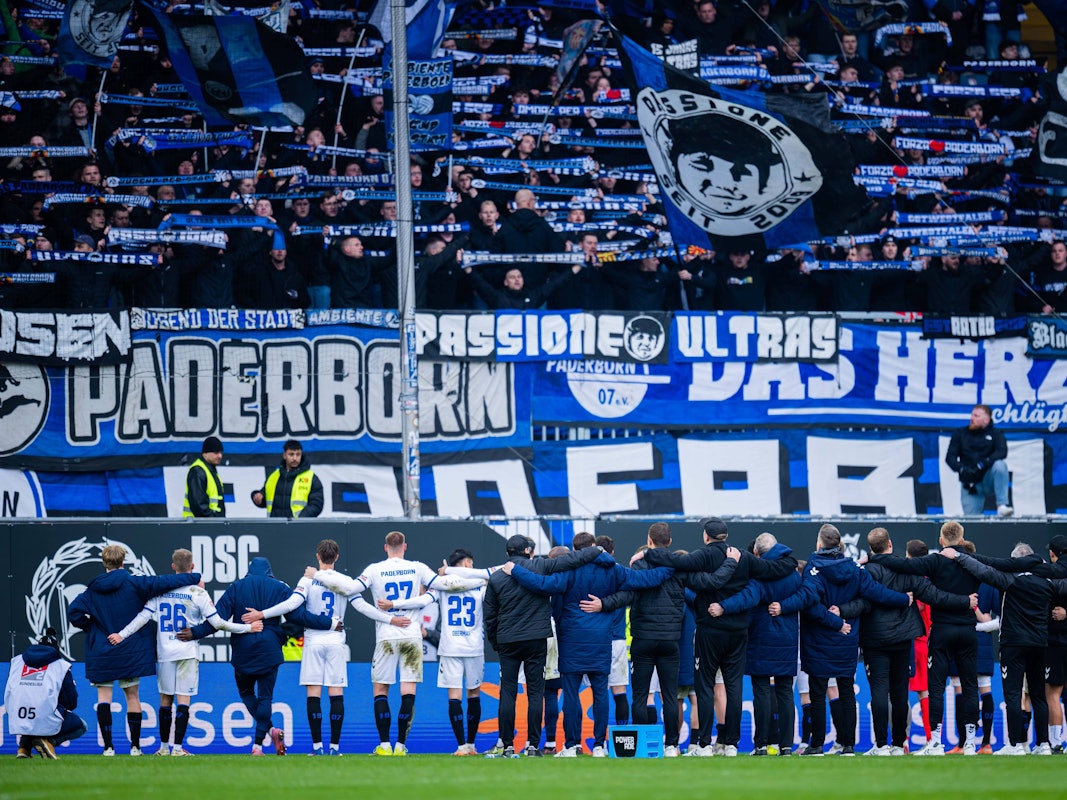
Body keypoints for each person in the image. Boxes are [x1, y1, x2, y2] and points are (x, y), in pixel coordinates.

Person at [503, 531, 676, 757]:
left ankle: (571, 745)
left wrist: (515, 570)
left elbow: (542, 585)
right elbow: (646, 580)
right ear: (595, 547)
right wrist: (673, 565)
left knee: (572, 695)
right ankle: (599, 746)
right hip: (601, 638)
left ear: (575, 552)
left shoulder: (570, 570)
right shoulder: (613, 570)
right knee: (600, 694)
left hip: (572, 638)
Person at [635, 517, 798, 757]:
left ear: (706, 536)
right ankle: (731, 744)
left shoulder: (703, 555)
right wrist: (791, 560)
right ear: (726, 534)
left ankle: (704, 744)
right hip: (738, 631)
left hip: (710, 630)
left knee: (705, 688)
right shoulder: (742, 556)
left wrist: (647, 555)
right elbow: (774, 568)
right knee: (733, 688)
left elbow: (674, 559)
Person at [584, 523, 739, 756]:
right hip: (670, 640)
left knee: (639, 694)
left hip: (643, 639)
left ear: (649, 540)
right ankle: (671, 746)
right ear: (670, 542)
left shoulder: (638, 564)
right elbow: (709, 583)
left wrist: (603, 604)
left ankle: (639, 746)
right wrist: (730, 567)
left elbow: (627, 595)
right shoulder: (678, 568)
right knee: (669, 695)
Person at [107, 548, 261, 756]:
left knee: (165, 701)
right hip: (187, 652)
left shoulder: (160, 592)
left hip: (165, 653)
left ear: (173, 567)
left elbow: (142, 617)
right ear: (192, 567)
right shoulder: (198, 593)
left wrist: (121, 635)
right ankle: (177, 748)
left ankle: (162, 748)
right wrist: (247, 628)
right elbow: (218, 623)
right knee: (184, 700)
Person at [181, 556, 338, 755]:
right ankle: (258, 745)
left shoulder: (236, 587)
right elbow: (298, 617)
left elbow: (216, 619)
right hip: (269, 650)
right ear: (269, 571)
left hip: (243, 650)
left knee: (246, 693)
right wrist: (328, 623)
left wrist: (194, 633)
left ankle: (267, 734)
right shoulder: (280, 587)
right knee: (266, 698)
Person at [778, 524, 912, 757]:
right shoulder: (854, 568)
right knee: (846, 690)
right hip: (846, 639)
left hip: (818, 641)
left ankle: (817, 744)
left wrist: (783, 607)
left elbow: (808, 603)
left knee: (818, 692)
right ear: (839, 545)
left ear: (819, 544)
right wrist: (903, 599)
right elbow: (876, 593)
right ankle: (848, 745)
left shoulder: (813, 568)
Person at [311, 531, 439, 756]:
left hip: (387, 636)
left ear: (385, 547)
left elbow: (351, 589)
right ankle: (400, 745)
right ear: (405, 547)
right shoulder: (418, 567)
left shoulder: (374, 569)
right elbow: (435, 589)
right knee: (408, 689)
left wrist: (318, 575)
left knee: (381, 689)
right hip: (411, 633)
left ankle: (384, 745)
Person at [66, 544, 202, 756]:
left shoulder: (91, 591)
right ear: (122, 562)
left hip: (102, 651)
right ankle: (135, 747)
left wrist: (92, 628)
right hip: (129, 651)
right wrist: (194, 578)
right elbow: (165, 582)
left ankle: (109, 748)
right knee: (132, 697)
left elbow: (73, 612)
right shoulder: (135, 583)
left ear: (105, 563)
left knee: (104, 697)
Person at [939, 542, 1067, 755]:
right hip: (1039, 645)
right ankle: (1043, 744)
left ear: (1015, 561)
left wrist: (959, 557)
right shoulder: (1048, 583)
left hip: (1013, 645)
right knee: (1038, 695)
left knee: (1013, 695)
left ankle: (1015, 744)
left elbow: (983, 569)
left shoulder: (1010, 581)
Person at [483, 534, 603, 758]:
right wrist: (598, 550)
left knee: (508, 691)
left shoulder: (498, 577)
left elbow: (489, 617)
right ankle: (532, 745)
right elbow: (570, 560)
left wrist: (495, 643)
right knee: (536, 692)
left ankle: (507, 745)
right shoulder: (540, 565)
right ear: (528, 551)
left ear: (508, 553)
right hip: (537, 639)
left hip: (508, 640)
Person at [859, 528, 976, 755]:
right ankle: (897, 744)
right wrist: (964, 601)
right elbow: (933, 595)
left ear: (871, 548)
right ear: (890, 544)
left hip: (875, 638)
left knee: (879, 692)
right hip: (903, 638)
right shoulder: (906, 570)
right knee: (900, 693)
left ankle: (882, 745)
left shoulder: (866, 570)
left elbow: (863, 599)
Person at [240, 539, 349, 755]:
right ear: (336, 557)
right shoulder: (346, 581)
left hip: (314, 640)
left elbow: (290, 605)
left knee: (313, 694)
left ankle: (317, 747)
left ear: (318, 556)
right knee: (336, 693)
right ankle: (335, 748)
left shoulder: (308, 580)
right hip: (336, 640)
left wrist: (262, 613)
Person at [378, 547, 489, 756]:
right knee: (473, 694)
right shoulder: (480, 586)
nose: (472, 567)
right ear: (466, 564)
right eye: (471, 564)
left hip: (450, 647)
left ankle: (461, 746)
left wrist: (395, 603)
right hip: (474, 647)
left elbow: (421, 601)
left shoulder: (441, 587)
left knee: (454, 695)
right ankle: (471, 745)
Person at [712, 532, 804, 757]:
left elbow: (747, 598)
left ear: (755, 553)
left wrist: (723, 606)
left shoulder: (759, 575)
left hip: (761, 637)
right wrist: (785, 606)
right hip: (787, 639)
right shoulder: (794, 573)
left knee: (761, 692)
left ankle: (761, 745)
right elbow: (806, 596)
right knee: (785, 693)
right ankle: (786, 746)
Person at [5, 627, 86, 759]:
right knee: (81, 726)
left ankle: (24, 748)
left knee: (33, 718)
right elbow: (71, 703)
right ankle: (47, 742)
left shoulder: (17, 661)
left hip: (16, 715)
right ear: (56, 650)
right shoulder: (60, 665)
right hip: (42, 716)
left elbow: (11, 691)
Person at [946, 404, 1012, 517]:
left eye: (976, 416)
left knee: (1000, 465)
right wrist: (962, 469)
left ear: (986, 420)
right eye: (972, 415)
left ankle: (1001, 505)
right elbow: (950, 457)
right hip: (970, 483)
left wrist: (984, 463)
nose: (972, 418)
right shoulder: (960, 433)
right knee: (972, 521)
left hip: (988, 479)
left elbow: (1002, 451)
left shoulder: (996, 433)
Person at [250, 439, 324, 518]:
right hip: (275, 527)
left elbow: (316, 505)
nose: (295, 458)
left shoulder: (311, 478)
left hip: (299, 528)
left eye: (298, 454)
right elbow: (265, 498)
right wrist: (257, 496)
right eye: (291, 454)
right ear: (284, 455)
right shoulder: (274, 476)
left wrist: (300, 519)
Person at [183, 436, 225, 518]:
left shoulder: (209, 470)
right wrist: (213, 521)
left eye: (221, 452)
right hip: (199, 526)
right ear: (205, 454)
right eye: (216, 452)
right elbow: (199, 506)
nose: (220, 456)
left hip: (206, 525)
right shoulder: (198, 471)